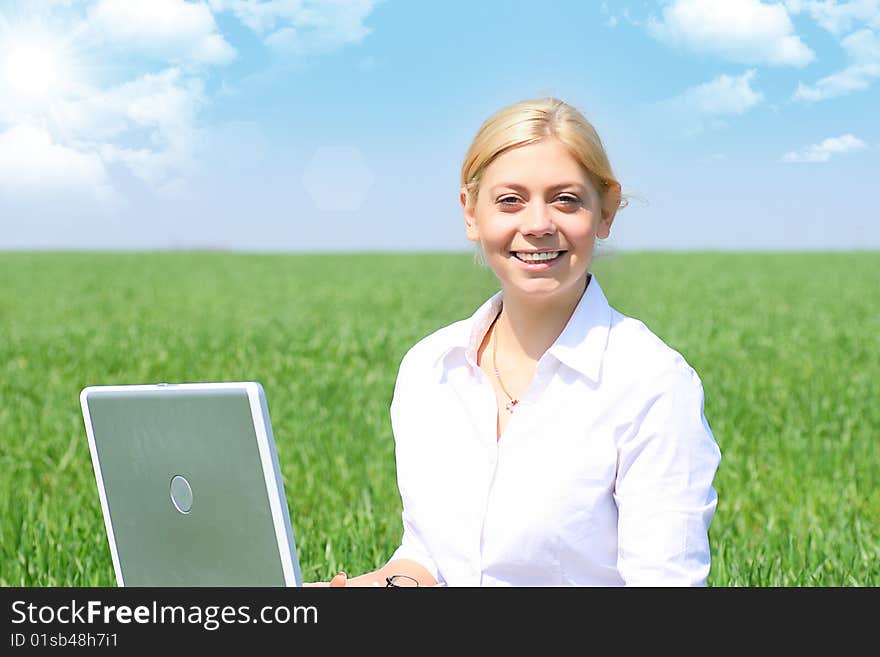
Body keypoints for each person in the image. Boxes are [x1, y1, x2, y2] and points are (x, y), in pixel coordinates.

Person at [309, 96, 722, 587]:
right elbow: (428, 552)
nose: (538, 224)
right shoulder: (428, 369)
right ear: (471, 212)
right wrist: (388, 585)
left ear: (606, 211)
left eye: (565, 199)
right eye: (510, 200)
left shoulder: (652, 384)